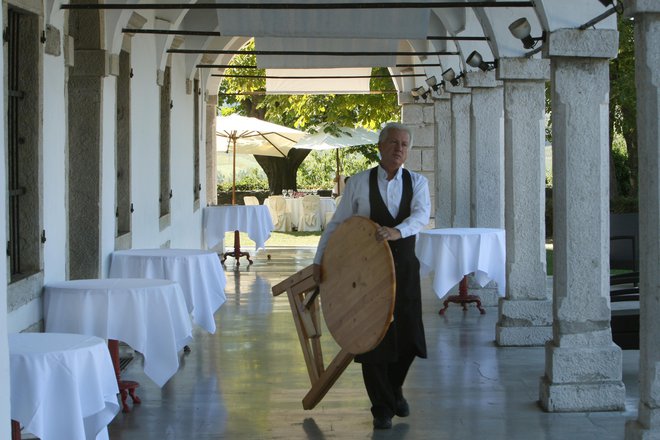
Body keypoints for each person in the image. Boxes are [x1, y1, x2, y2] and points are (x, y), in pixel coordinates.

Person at [312, 122, 431, 430]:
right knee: (370, 337)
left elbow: (420, 216)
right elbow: (338, 223)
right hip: (364, 272)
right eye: (393, 142)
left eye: (404, 144)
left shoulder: (417, 183)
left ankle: (394, 390)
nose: (399, 148)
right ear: (379, 146)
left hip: (403, 270)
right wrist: (318, 259)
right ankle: (381, 407)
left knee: (409, 339)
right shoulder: (359, 183)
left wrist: (397, 231)